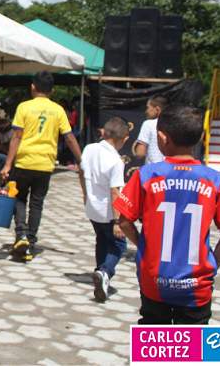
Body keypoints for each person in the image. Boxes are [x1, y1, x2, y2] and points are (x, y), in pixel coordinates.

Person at [115, 105, 220, 324]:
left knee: (154, 338)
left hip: (154, 280)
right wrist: (212, 266)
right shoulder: (215, 180)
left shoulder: (145, 175)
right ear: (200, 137)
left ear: (162, 138)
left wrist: (143, 245)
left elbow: (125, 222)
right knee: (192, 343)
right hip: (196, 286)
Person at [0, 71, 82, 262]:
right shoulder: (58, 110)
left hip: (24, 162)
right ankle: (30, 241)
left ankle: (21, 234)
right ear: (52, 90)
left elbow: (16, 137)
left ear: (32, 87)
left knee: (19, 198)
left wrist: (7, 164)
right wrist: (81, 161)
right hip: (45, 165)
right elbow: (69, 138)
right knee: (37, 203)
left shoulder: (24, 107)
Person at [78, 116, 129, 302]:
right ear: (124, 139)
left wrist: (85, 194)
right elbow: (115, 192)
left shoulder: (89, 148)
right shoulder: (116, 161)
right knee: (119, 245)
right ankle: (105, 271)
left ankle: (100, 273)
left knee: (101, 239)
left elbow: (81, 171)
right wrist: (117, 221)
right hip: (108, 212)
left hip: (92, 207)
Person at [134, 95, 168, 165]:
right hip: (172, 169)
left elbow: (140, 153)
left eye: (148, 107)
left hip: (153, 169)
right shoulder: (176, 124)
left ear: (157, 109)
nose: (146, 111)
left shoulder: (148, 124)